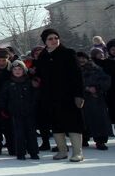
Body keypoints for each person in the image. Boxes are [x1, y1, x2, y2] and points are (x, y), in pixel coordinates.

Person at [35, 29, 85, 162]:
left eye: (56, 37)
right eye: (50, 39)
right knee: (56, 124)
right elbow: (39, 74)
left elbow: (77, 75)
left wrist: (79, 95)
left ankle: (77, 152)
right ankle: (62, 151)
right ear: (45, 41)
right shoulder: (43, 56)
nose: (54, 40)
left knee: (73, 123)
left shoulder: (68, 53)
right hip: (50, 96)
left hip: (69, 95)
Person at [0, 60, 40, 160]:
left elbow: (35, 97)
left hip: (29, 112)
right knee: (18, 133)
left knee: (31, 133)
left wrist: (33, 107)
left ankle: (33, 152)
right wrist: (3, 109)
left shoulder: (30, 82)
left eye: (20, 69)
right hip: (15, 112)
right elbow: (3, 97)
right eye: (15, 69)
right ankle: (20, 152)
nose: (17, 71)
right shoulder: (8, 83)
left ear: (24, 70)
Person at [79, 51, 112, 150]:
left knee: (99, 119)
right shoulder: (73, 70)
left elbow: (106, 80)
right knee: (82, 119)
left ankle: (100, 141)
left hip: (96, 98)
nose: (81, 60)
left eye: (83, 58)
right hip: (81, 98)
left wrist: (97, 88)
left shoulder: (96, 69)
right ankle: (83, 139)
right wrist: (86, 88)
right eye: (79, 58)